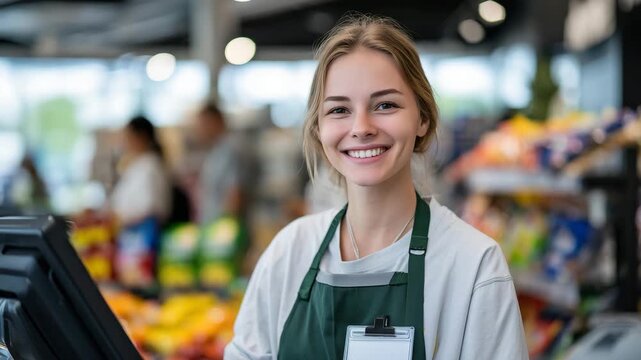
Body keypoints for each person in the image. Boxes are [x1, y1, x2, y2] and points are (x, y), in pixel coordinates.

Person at [225, 15, 528, 360]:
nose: (361, 127)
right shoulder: (289, 253)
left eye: (385, 105)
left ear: (422, 118)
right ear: (318, 129)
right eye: (339, 109)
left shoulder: (474, 264)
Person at [109, 116, 171, 287]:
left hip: (142, 237)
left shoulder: (150, 166)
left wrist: (121, 218)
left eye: (128, 137)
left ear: (140, 137)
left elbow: (148, 206)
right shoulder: (137, 165)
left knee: (140, 283)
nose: (125, 143)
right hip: (131, 238)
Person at [193, 103, 245, 225]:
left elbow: (235, 193)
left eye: (203, 124)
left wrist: (226, 226)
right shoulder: (215, 151)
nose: (199, 130)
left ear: (216, 121)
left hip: (223, 229)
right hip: (212, 225)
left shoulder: (230, 150)